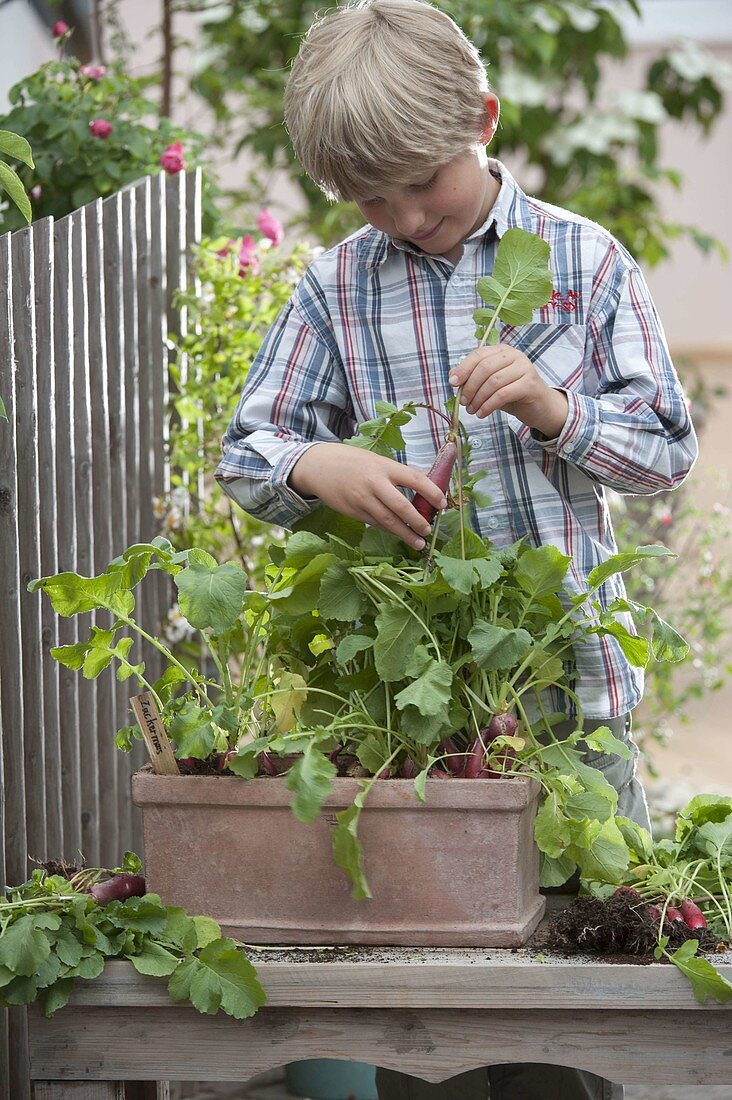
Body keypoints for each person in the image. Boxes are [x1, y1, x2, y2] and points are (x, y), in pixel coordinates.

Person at [215, 2, 698, 1096]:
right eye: (366, 198)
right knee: (423, 1016)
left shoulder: (583, 260)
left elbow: (668, 452)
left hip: (572, 702)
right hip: (416, 727)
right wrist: (314, 467)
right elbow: (247, 447)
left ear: (483, 118)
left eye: (420, 183)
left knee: (575, 1010)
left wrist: (551, 406)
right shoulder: (338, 287)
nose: (401, 215)